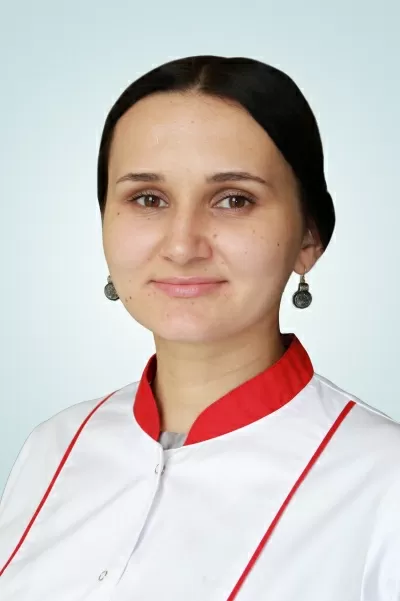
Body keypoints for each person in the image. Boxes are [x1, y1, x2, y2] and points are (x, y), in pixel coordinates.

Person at [0, 55, 399, 601]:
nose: (183, 245)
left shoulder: (384, 482)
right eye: (148, 199)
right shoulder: (54, 446)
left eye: (234, 200)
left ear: (309, 237)